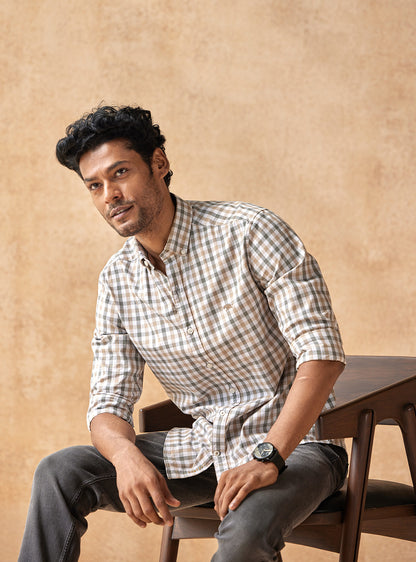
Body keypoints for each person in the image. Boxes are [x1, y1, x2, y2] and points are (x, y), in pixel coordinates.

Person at [19, 105, 348, 562]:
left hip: (298, 448)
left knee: (246, 526)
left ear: (159, 163)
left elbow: (321, 355)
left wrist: (268, 457)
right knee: (60, 472)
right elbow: (107, 406)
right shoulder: (117, 280)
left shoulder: (249, 231)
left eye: (120, 173)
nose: (110, 195)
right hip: (202, 449)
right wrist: (125, 457)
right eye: (95, 185)